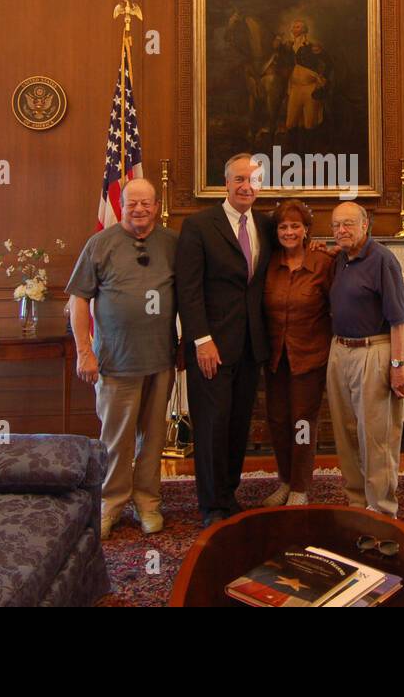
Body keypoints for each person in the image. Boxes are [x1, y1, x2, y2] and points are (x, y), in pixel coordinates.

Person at [66, 177, 177, 539]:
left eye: (147, 203)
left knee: (154, 438)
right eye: (133, 203)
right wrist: (84, 352)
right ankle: (111, 503)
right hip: (115, 361)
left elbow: (190, 294)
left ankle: (148, 502)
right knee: (116, 439)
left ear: (157, 206)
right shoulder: (100, 244)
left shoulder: (172, 244)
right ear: (123, 205)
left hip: (161, 360)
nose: (140, 209)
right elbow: (79, 299)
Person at [176, 153, 274, 526]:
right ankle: (211, 506)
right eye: (239, 180)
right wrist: (201, 339)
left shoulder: (264, 225)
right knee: (212, 425)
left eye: (254, 180)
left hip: (250, 346)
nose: (246, 186)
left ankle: (228, 495)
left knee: (237, 425)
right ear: (226, 182)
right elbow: (189, 290)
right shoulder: (199, 226)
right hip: (211, 346)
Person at [326, 201, 404, 517]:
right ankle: (356, 504)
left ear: (366, 225)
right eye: (336, 225)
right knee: (346, 435)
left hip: (373, 352)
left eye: (348, 223)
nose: (341, 230)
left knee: (376, 438)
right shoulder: (340, 260)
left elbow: (399, 321)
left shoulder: (383, 261)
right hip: (339, 352)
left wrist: (398, 367)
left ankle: (382, 510)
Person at [261, 198, 334, 506]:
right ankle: (285, 480)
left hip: (310, 356)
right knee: (278, 420)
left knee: (302, 422)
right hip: (275, 356)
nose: (289, 232)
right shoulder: (268, 262)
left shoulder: (323, 262)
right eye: (283, 227)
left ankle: (301, 487)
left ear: (306, 230)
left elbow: (338, 307)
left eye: (295, 226)